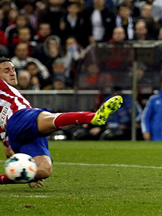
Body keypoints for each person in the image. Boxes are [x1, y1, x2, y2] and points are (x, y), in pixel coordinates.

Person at [0, 57, 122, 187]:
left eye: (13, 69)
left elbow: (8, 150)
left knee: (44, 170)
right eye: (6, 70)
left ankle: (5, 179)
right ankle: (92, 117)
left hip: (20, 136)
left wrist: (29, 175)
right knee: (51, 118)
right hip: (19, 118)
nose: (12, 73)